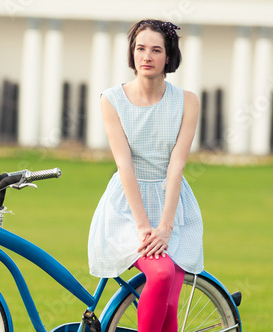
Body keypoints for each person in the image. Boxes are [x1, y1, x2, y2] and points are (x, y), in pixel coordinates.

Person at [88, 19, 203, 332]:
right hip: (127, 208)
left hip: (173, 208)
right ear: (132, 53)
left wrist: (165, 227)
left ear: (169, 56)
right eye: (140, 48)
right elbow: (125, 166)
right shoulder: (112, 99)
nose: (147, 56)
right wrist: (143, 228)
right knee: (161, 274)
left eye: (156, 49)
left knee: (170, 304)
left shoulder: (187, 101)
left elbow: (176, 166)